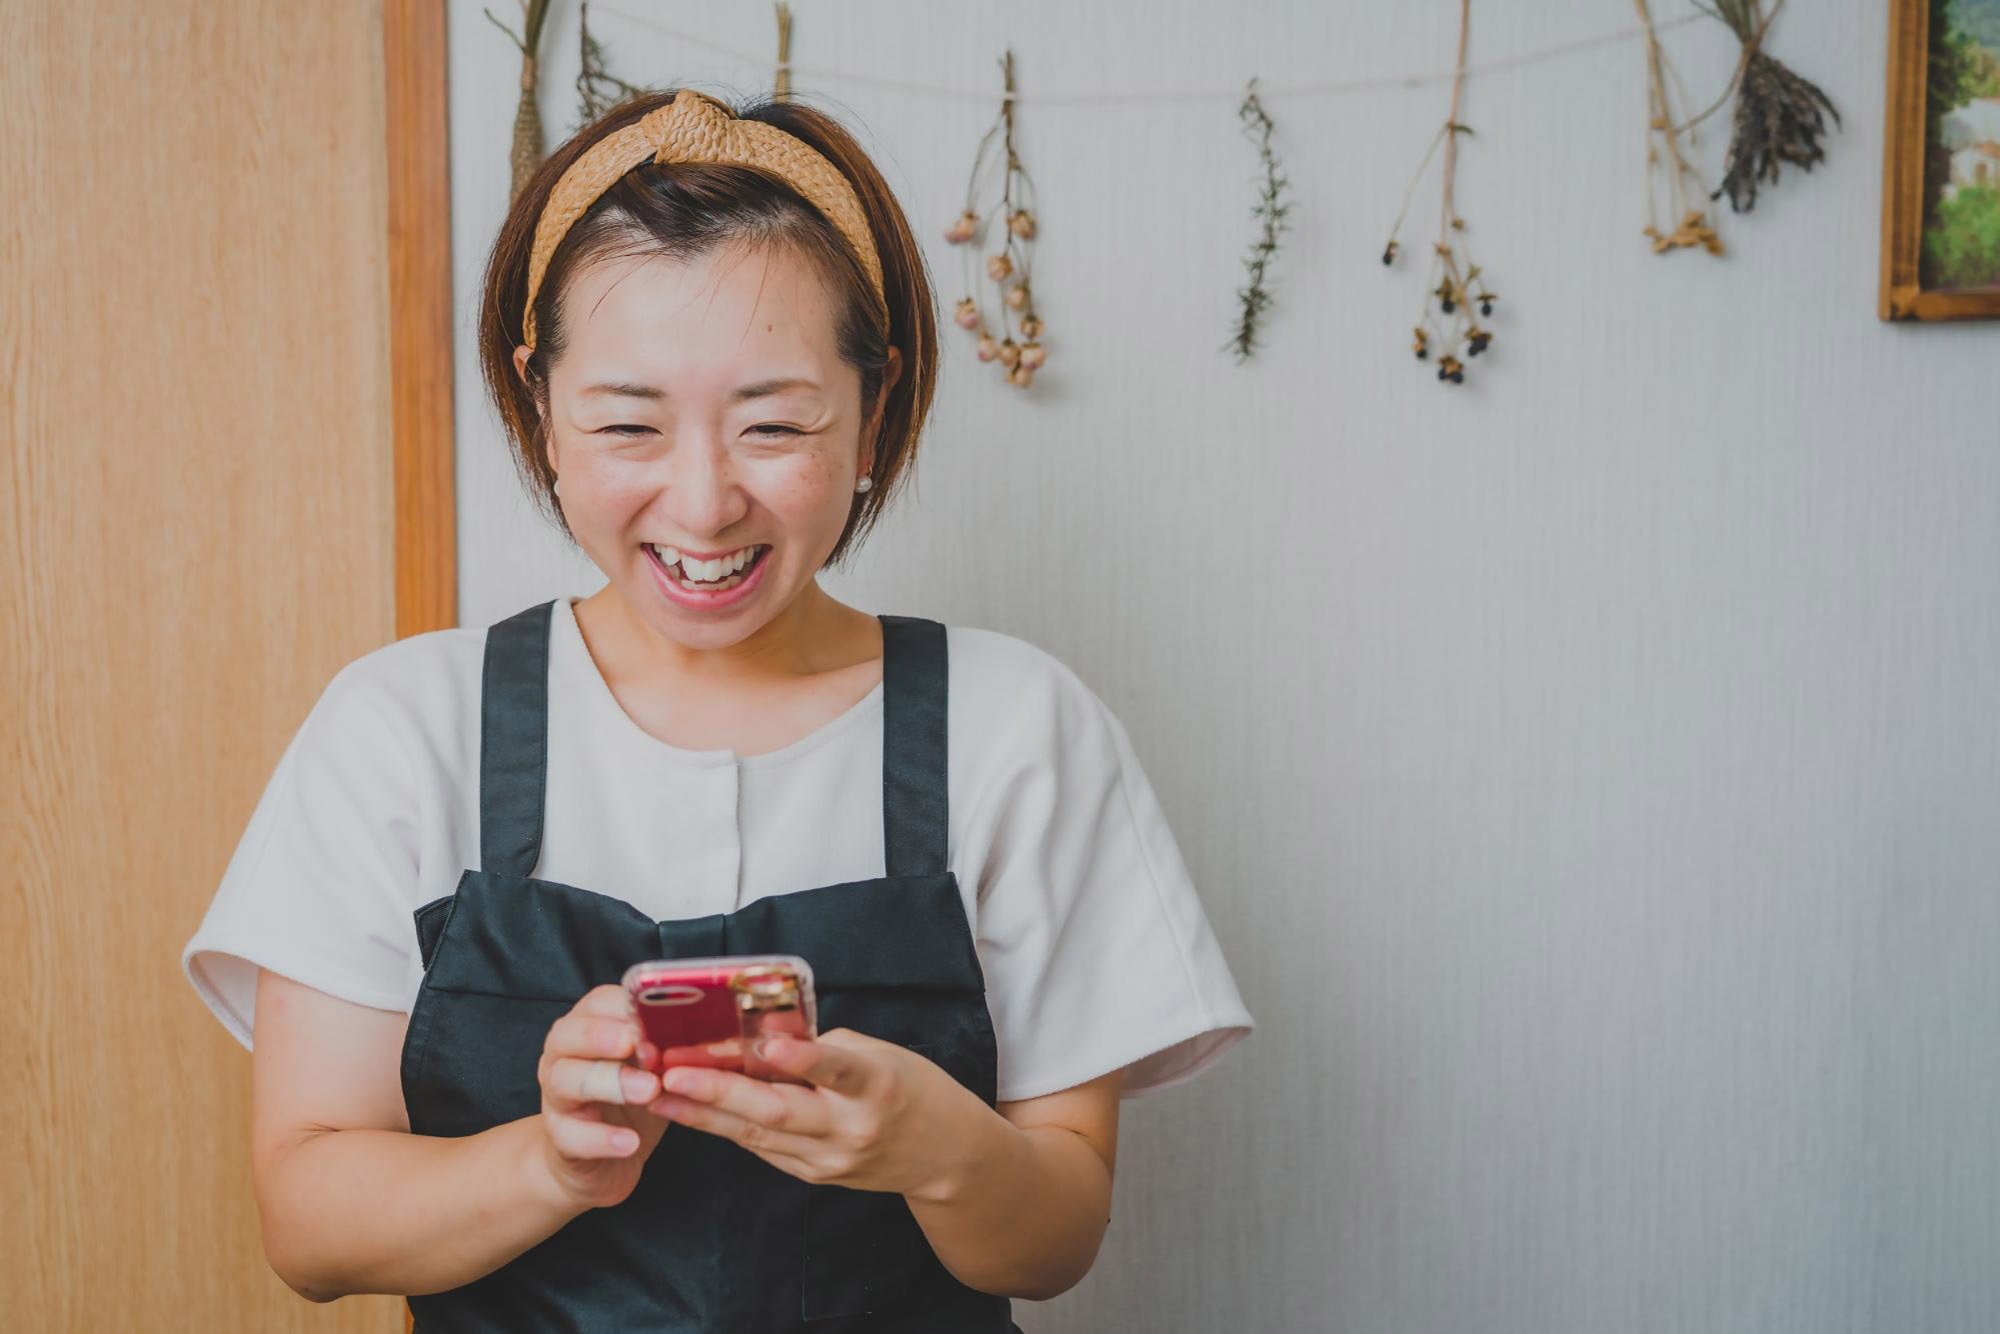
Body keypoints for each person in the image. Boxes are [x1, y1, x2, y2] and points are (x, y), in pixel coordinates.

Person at [179, 87, 1254, 1332]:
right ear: (541, 405)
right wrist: (548, 1159)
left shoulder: (1016, 728)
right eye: (628, 421)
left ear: (873, 408)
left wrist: (934, 1146)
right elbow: (308, 1223)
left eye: (774, 424)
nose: (700, 506)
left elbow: (1055, 1234)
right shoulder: (402, 730)